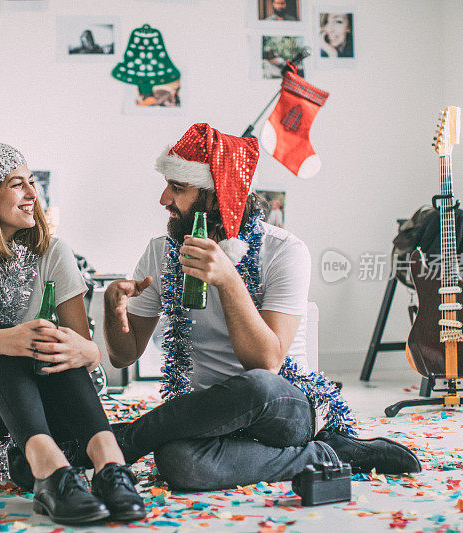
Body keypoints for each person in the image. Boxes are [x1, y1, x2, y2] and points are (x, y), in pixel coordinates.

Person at [103, 124, 421, 491]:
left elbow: (267, 363)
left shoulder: (285, 251)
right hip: (204, 415)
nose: (163, 199)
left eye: (177, 188)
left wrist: (228, 280)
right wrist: (115, 313)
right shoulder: (161, 252)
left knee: (257, 386)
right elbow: (123, 357)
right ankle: (326, 455)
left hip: (283, 407)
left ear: (216, 196)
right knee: (178, 463)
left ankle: (124, 440)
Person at [0, 142, 146, 525]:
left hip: (51, 416)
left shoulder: (53, 252)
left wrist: (79, 349)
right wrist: (7, 339)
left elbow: (86, 352)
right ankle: (50, 473)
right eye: (17, 184)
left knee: (54, 344)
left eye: (31, 182)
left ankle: (110, 465)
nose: (32, 194)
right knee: (8, 346)